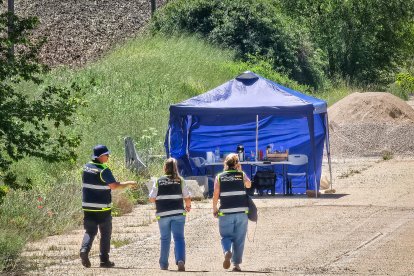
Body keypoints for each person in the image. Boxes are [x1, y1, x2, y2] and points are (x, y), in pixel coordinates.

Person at [79, 144, 137, 268]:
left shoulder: (86, 167)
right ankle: (104, 261)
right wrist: (129, 183)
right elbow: (115, 186)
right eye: (106, 155)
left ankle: (84, 250)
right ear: (100, 156)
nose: (108, 157)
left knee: (90, 231)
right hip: (102, 207)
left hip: (87, 206)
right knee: (105, 233)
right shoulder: (104, 170)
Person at [149, 158, 191, 271]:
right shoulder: (180, 180)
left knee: (165, 239)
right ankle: (180, 260)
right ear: (176, 168)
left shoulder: (159, 181)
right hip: (178, 213)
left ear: (165, 168)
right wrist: (188, 206)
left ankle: (163, 264)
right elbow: (187, 197)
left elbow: (152, 198)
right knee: (179, 238)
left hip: (163, 214)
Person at [212, 153, 251, 272]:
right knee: (239, 239)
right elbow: (249, 185)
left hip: (225, 212)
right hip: (241, 212)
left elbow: (216, 194)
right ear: (236, 164)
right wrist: (241, 171)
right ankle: (236, 265)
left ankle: (227, 251)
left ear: (226, 163)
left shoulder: (219, 176)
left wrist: (214, 208)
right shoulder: (241, 175)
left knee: (225, 236)